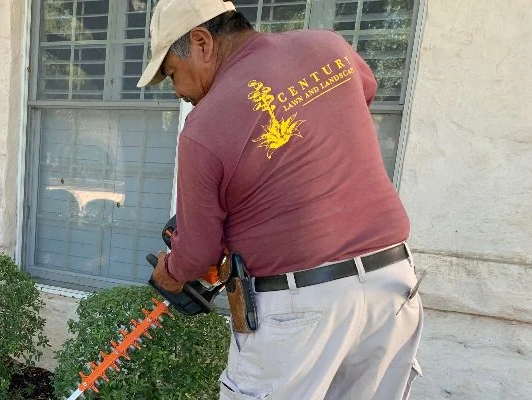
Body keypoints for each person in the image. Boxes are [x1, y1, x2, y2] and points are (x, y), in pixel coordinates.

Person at [139, 1, 424, 399]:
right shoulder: (329, 48)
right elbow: (363, 93)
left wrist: (169, 272)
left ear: (201, 42)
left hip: (302, 307)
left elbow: (197, 253)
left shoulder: (202, 129)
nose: (180, 92)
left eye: (172, 73)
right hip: (392, 285)